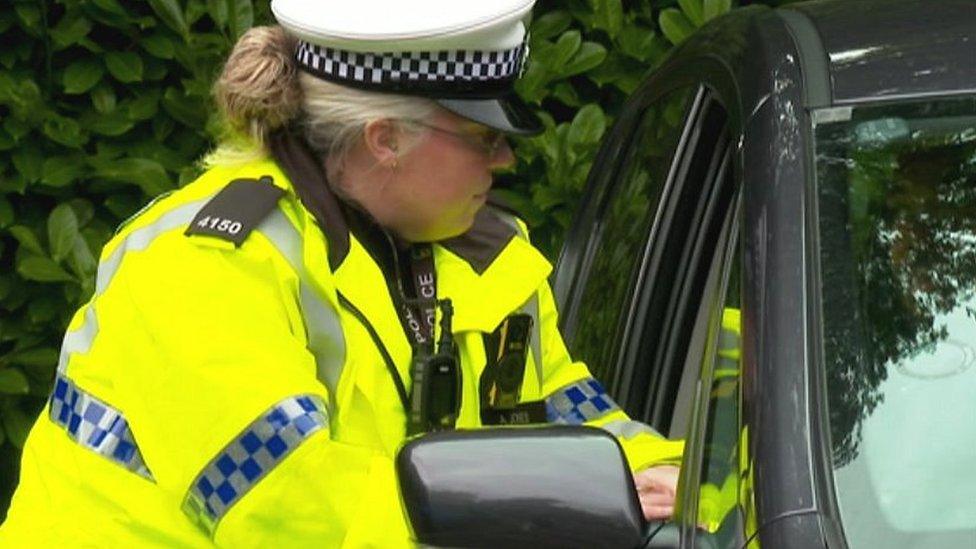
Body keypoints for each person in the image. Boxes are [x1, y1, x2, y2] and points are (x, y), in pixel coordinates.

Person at [1, 1, 683, 546]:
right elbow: (287, 511)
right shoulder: (204, 262)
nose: (505, 160)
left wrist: (681, 482)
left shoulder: (483, 253)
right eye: (484, 137)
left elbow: (575, 421)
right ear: (384, 137)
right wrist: (532, 505)